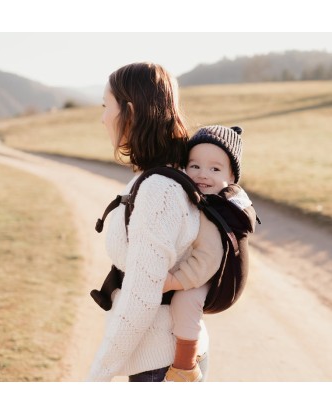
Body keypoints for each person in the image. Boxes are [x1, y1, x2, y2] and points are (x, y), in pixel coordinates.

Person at [86, 62, 210, 382]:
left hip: (161, 366)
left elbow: (141, 298)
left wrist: (98, 374)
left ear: (129, 112)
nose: (101, 119)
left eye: (105, 106)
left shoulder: (159, 190)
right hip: (165, 359)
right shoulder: (167, 174)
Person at [162, 125, 256, 382]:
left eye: (215, 169)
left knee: (185, 300)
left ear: (232, 179)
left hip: (217, 278)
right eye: (194, 166)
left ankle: (184, 366)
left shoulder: (214, 210)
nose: (203, 175)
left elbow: (208, 258)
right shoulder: (195, 195)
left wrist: (175, 281)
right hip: (207, 266)